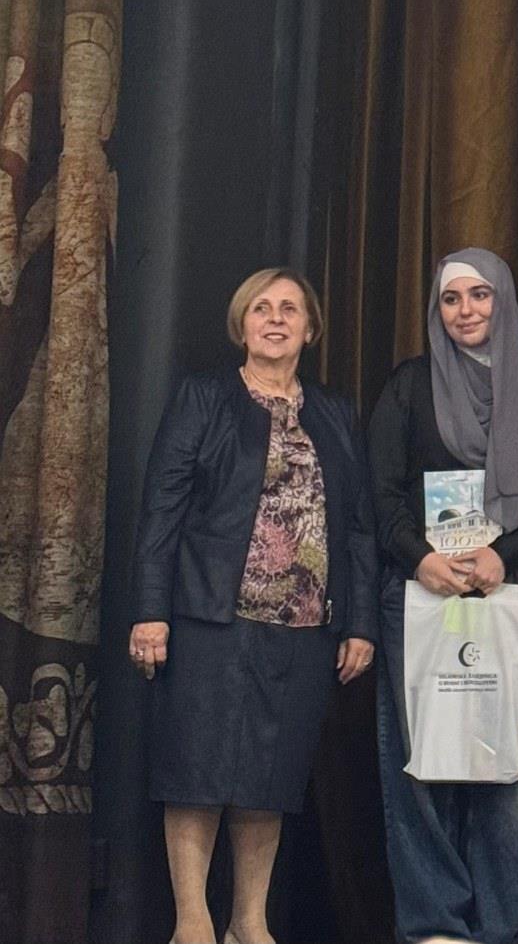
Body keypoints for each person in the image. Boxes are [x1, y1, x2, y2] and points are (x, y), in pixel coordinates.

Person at [129, 268, 376, 944]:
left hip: (303, 628)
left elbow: (359, 527)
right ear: (241, 325)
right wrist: (149, 611)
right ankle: (192, 923)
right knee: (197, 771)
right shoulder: (205, 397)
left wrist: (360, 623)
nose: (275, 319)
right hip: (210, 618)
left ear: (310, 328)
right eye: (261, 308)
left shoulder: (335, 414)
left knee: (269, 779)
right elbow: (161, 510)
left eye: (289, 308)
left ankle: (249, 922)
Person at [367, 249, 518, 944]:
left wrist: (501, 556)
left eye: (480, 295)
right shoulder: (410, 385)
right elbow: (381, 493)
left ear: (503, 300)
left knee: (505, 766)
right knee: (419, 763)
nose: (466, 311)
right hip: (420, 594)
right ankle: (435, 925)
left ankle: (496, 926)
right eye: (451, 299)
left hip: (509, 595)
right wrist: (421, 559)